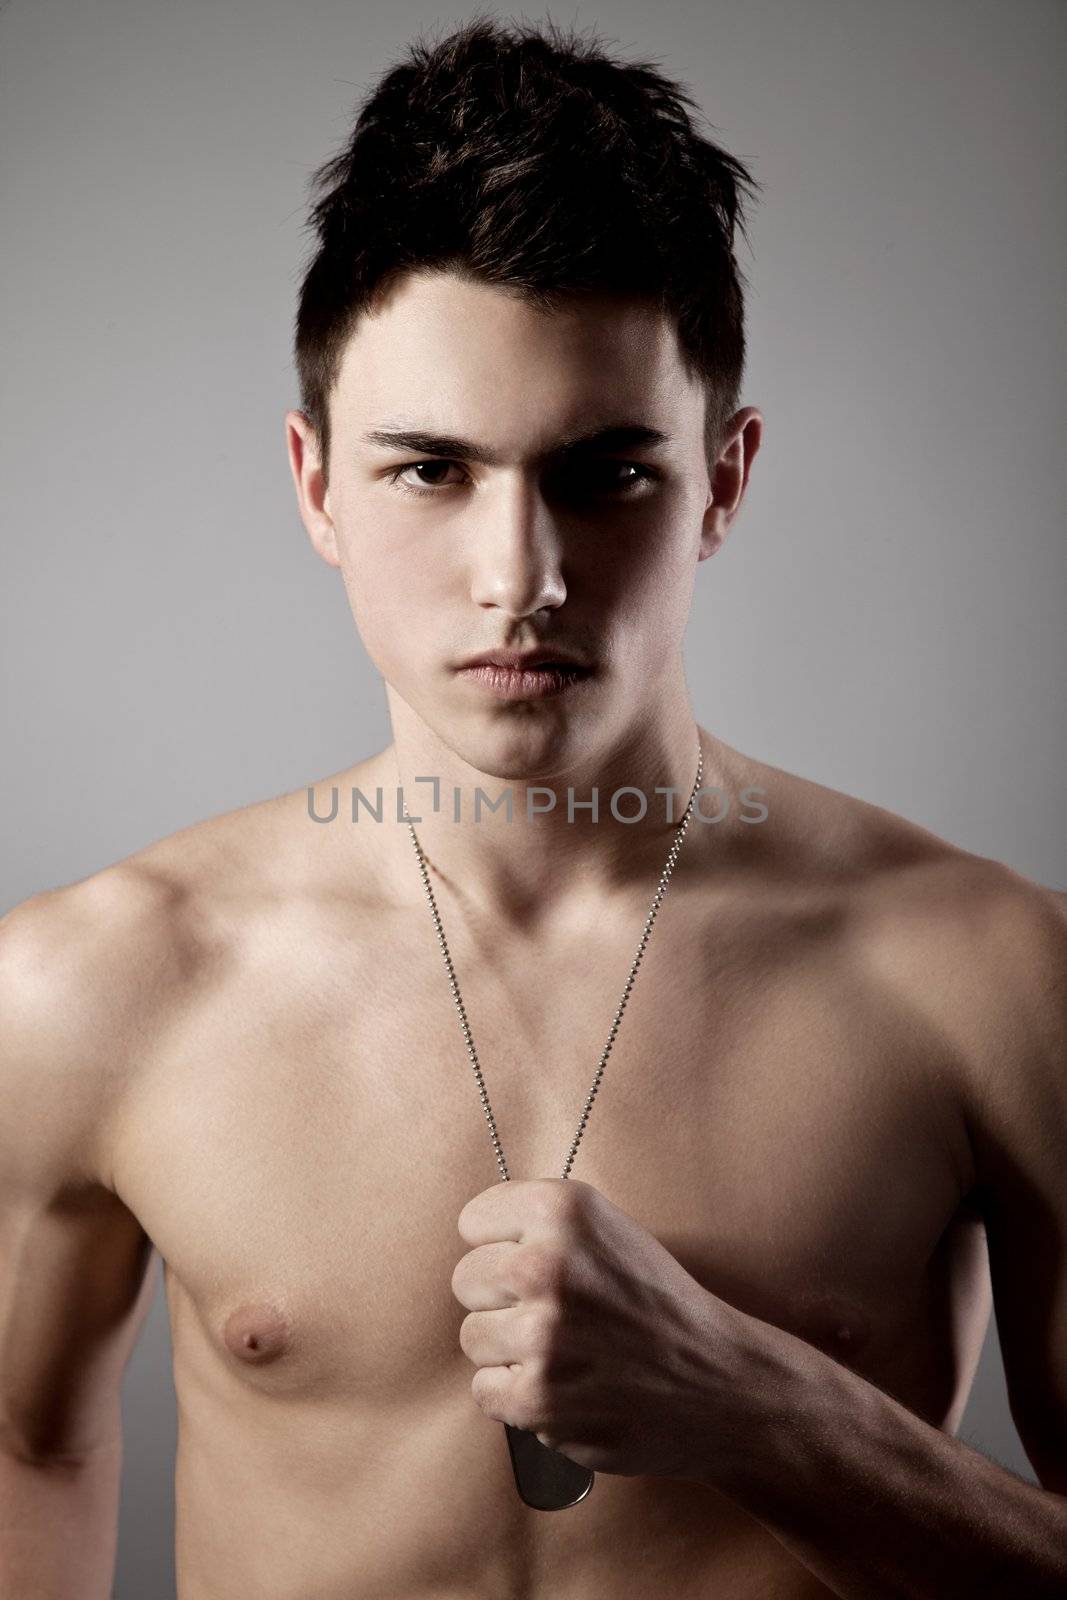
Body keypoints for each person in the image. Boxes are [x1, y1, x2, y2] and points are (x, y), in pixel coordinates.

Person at [2, 15, 1065, 1599]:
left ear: (727, 478)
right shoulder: (89, 988)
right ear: (314, 486)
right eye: (430, 470)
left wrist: (765, 1408)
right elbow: (29, 1454)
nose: (522, 578)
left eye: (606, 471)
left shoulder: (989, 976)